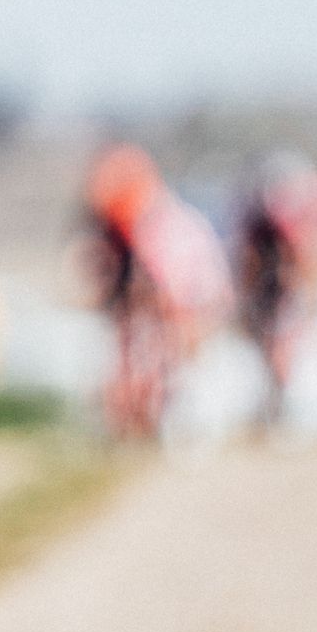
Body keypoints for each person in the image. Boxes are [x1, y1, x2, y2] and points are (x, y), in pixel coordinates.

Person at [81, 144, 231, 440]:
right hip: (175, 308)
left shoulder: (160, 231)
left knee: (168, 351)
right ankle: (140, 415)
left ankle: (174, 411)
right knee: (138, 341)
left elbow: (180, 310)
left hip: (193, 308)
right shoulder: (135, 226)